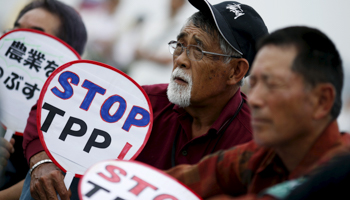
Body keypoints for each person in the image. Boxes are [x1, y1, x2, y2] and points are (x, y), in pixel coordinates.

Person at [22, 0, 268, 199]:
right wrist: (41, 160)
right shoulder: (141, 103)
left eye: (199, 50)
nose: (181, 59)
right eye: (180, 45)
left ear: (236, 71)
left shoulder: (255, 142)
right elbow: (51, 102)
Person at [166, 26, 350, 199]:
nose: (253, 99)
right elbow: (184, 180)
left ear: (321, 101)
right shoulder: (263, 154)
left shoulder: (339, 172)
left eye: (272, 85)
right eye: (253, 84)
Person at [0, 0, 87, 199]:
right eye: (16, 30)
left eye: (36, 33)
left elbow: (47, 180)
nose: (20, 40)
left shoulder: (71, 121)